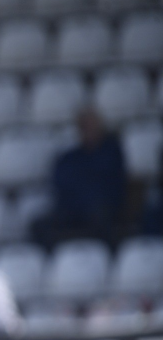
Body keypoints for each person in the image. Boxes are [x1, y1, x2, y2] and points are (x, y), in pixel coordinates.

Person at [31, 107, 127, 250]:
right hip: (71, 210)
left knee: (101, 215)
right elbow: (60, 184)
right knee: (40, 225)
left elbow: (110, 186)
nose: (87, 129)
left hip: (100, 210)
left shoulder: (112, 152)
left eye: (91, 125)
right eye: (83, 126)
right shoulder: (69, 158)